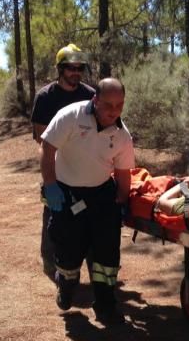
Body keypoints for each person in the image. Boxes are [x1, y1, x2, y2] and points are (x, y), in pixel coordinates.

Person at [40, 78, 134, 325]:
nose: (113, 111)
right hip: (67, 193)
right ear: (95, 100)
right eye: (107, 105)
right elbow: (47, 148)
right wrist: (50, 185)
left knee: (107, 253)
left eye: (119, 105)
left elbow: (123, 173)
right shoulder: (71, 116)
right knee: (69, 249)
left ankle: (105, 305)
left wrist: (122, 202)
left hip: (101, 194)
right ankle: (67, 285)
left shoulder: (122, 135)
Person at [32, 44, 96, 277]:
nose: (75, 72)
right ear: (60, 69)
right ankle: (51, 262)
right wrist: (50, 179)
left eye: (79, 67)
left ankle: (89, 266)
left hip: (86, 167)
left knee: (88, 218)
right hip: (56, 167)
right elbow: (41, 137)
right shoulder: (45, 97)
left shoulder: (90, 95)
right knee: (54, 215)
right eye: (70, 67)